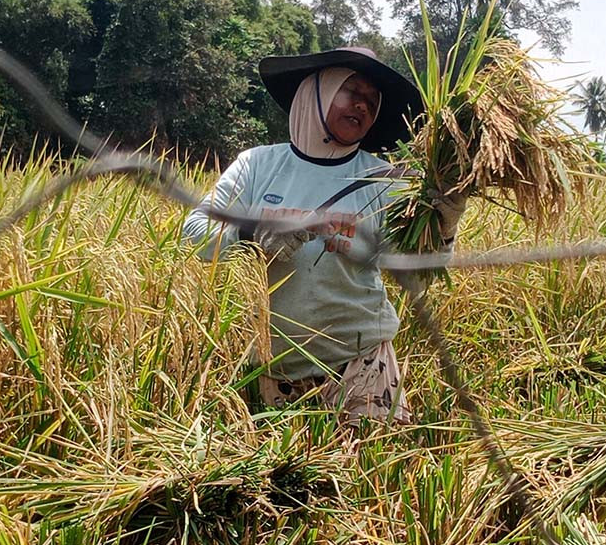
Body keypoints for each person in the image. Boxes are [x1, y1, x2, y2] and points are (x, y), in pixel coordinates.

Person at [182, 47, 465, 426]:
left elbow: (419, 272)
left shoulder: (387, 180)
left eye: (371, 100)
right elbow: (194, 234)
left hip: (361, 361)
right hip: (270, 368)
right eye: (351, 91)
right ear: (318, 91)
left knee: (370, 473)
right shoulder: (258, 165)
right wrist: (254, 231)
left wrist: (444, 224)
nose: (363, 105)